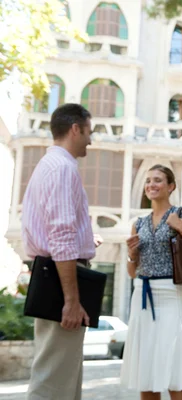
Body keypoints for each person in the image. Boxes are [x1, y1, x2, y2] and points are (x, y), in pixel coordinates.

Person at [21, 103, 99, 400]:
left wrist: (87, 240)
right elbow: (61, 236)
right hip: (58, 277)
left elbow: (54, 230)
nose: (91, 140)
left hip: (50, 271)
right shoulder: (63, 168)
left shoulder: (48, 165)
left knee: (63, 377)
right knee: (53, 382)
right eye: (89, 132)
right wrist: (71, 301)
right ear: (75, 129)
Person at [121, 164, 182, 400]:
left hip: (172, 294)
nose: (151, 184)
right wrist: (132, 254)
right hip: (142, 295)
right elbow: (132, 272)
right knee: (147, 372)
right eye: (148, 180)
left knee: (175, 369)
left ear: (170, 186)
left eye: (158, 180)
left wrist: (181, 227)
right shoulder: (138, 223)